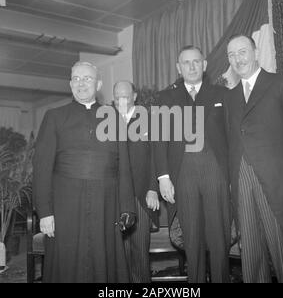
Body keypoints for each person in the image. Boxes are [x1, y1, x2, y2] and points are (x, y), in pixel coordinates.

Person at [33, 61, 136, 283]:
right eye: (76, 79)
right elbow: (42, 167)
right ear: (70, 84)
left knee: (104, 261)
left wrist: (127, 207)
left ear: (98, 84)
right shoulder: (54, 116)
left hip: (106, 203)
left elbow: (124, 167)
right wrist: (44, 212)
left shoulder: (114, 117)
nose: (81, 83)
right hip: (64, 204)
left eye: (87, 78)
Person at [224, 34, 283, 283]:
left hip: (277, 185)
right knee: (252, 258)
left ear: (255, 52)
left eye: (242, 51)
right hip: (242, 184)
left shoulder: (281, 83)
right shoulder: (230, 98)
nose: (237, 59)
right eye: (232, 55)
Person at [154, 45, 231, 283]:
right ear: (178, 68)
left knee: (219, 238)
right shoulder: (165, 97)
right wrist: (163, 177)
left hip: (215, 172)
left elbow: (232, 136)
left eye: (196, 61)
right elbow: (158, 140)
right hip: (182, 174)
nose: (191, 66)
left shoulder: (222, 94)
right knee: (192, 239)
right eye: (186, 63)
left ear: (204, 65)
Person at [113, 80, 160, 283]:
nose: (121, 101)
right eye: (117, 97)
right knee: (119, 255)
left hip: (141, 196)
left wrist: (152, 188)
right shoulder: (106, 123)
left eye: (125, 96)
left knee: (140, 253)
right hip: (115, 198)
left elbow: (156, 157)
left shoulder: (149, 120)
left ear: (134, 96)